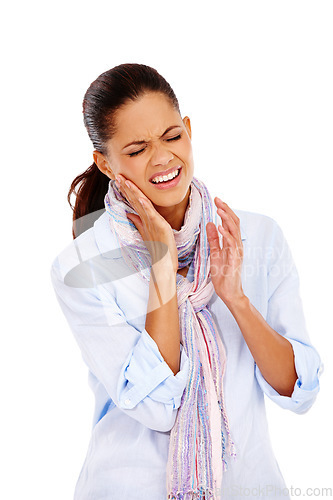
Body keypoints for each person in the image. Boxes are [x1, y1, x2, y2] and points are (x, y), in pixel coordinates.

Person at [50, 63, 323, 500]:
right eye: (137, 149)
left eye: (172, 136)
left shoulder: (256, 236)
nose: (162, 158)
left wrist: (235, 298)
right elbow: (157, 408)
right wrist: (162, 262)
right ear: (104, 162)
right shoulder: (83, 266)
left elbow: (299, 389)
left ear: (189, 130)